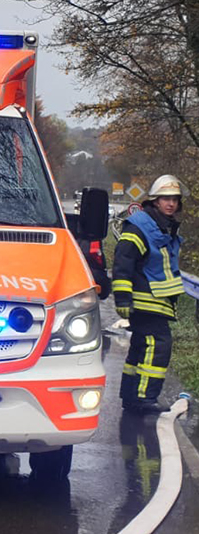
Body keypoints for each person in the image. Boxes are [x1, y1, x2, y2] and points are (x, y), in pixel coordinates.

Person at [112, 174, 185, 413]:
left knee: (141, 346)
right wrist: (123, 298)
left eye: (175, 199)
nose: (171, 203)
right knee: (158, 345)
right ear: (155, 200)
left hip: (156, 301)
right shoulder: (141, 227)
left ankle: (131, 396)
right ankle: (145, 398)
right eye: (166, 199)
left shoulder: (162, 227)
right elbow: (123, 262)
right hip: (145, 301)